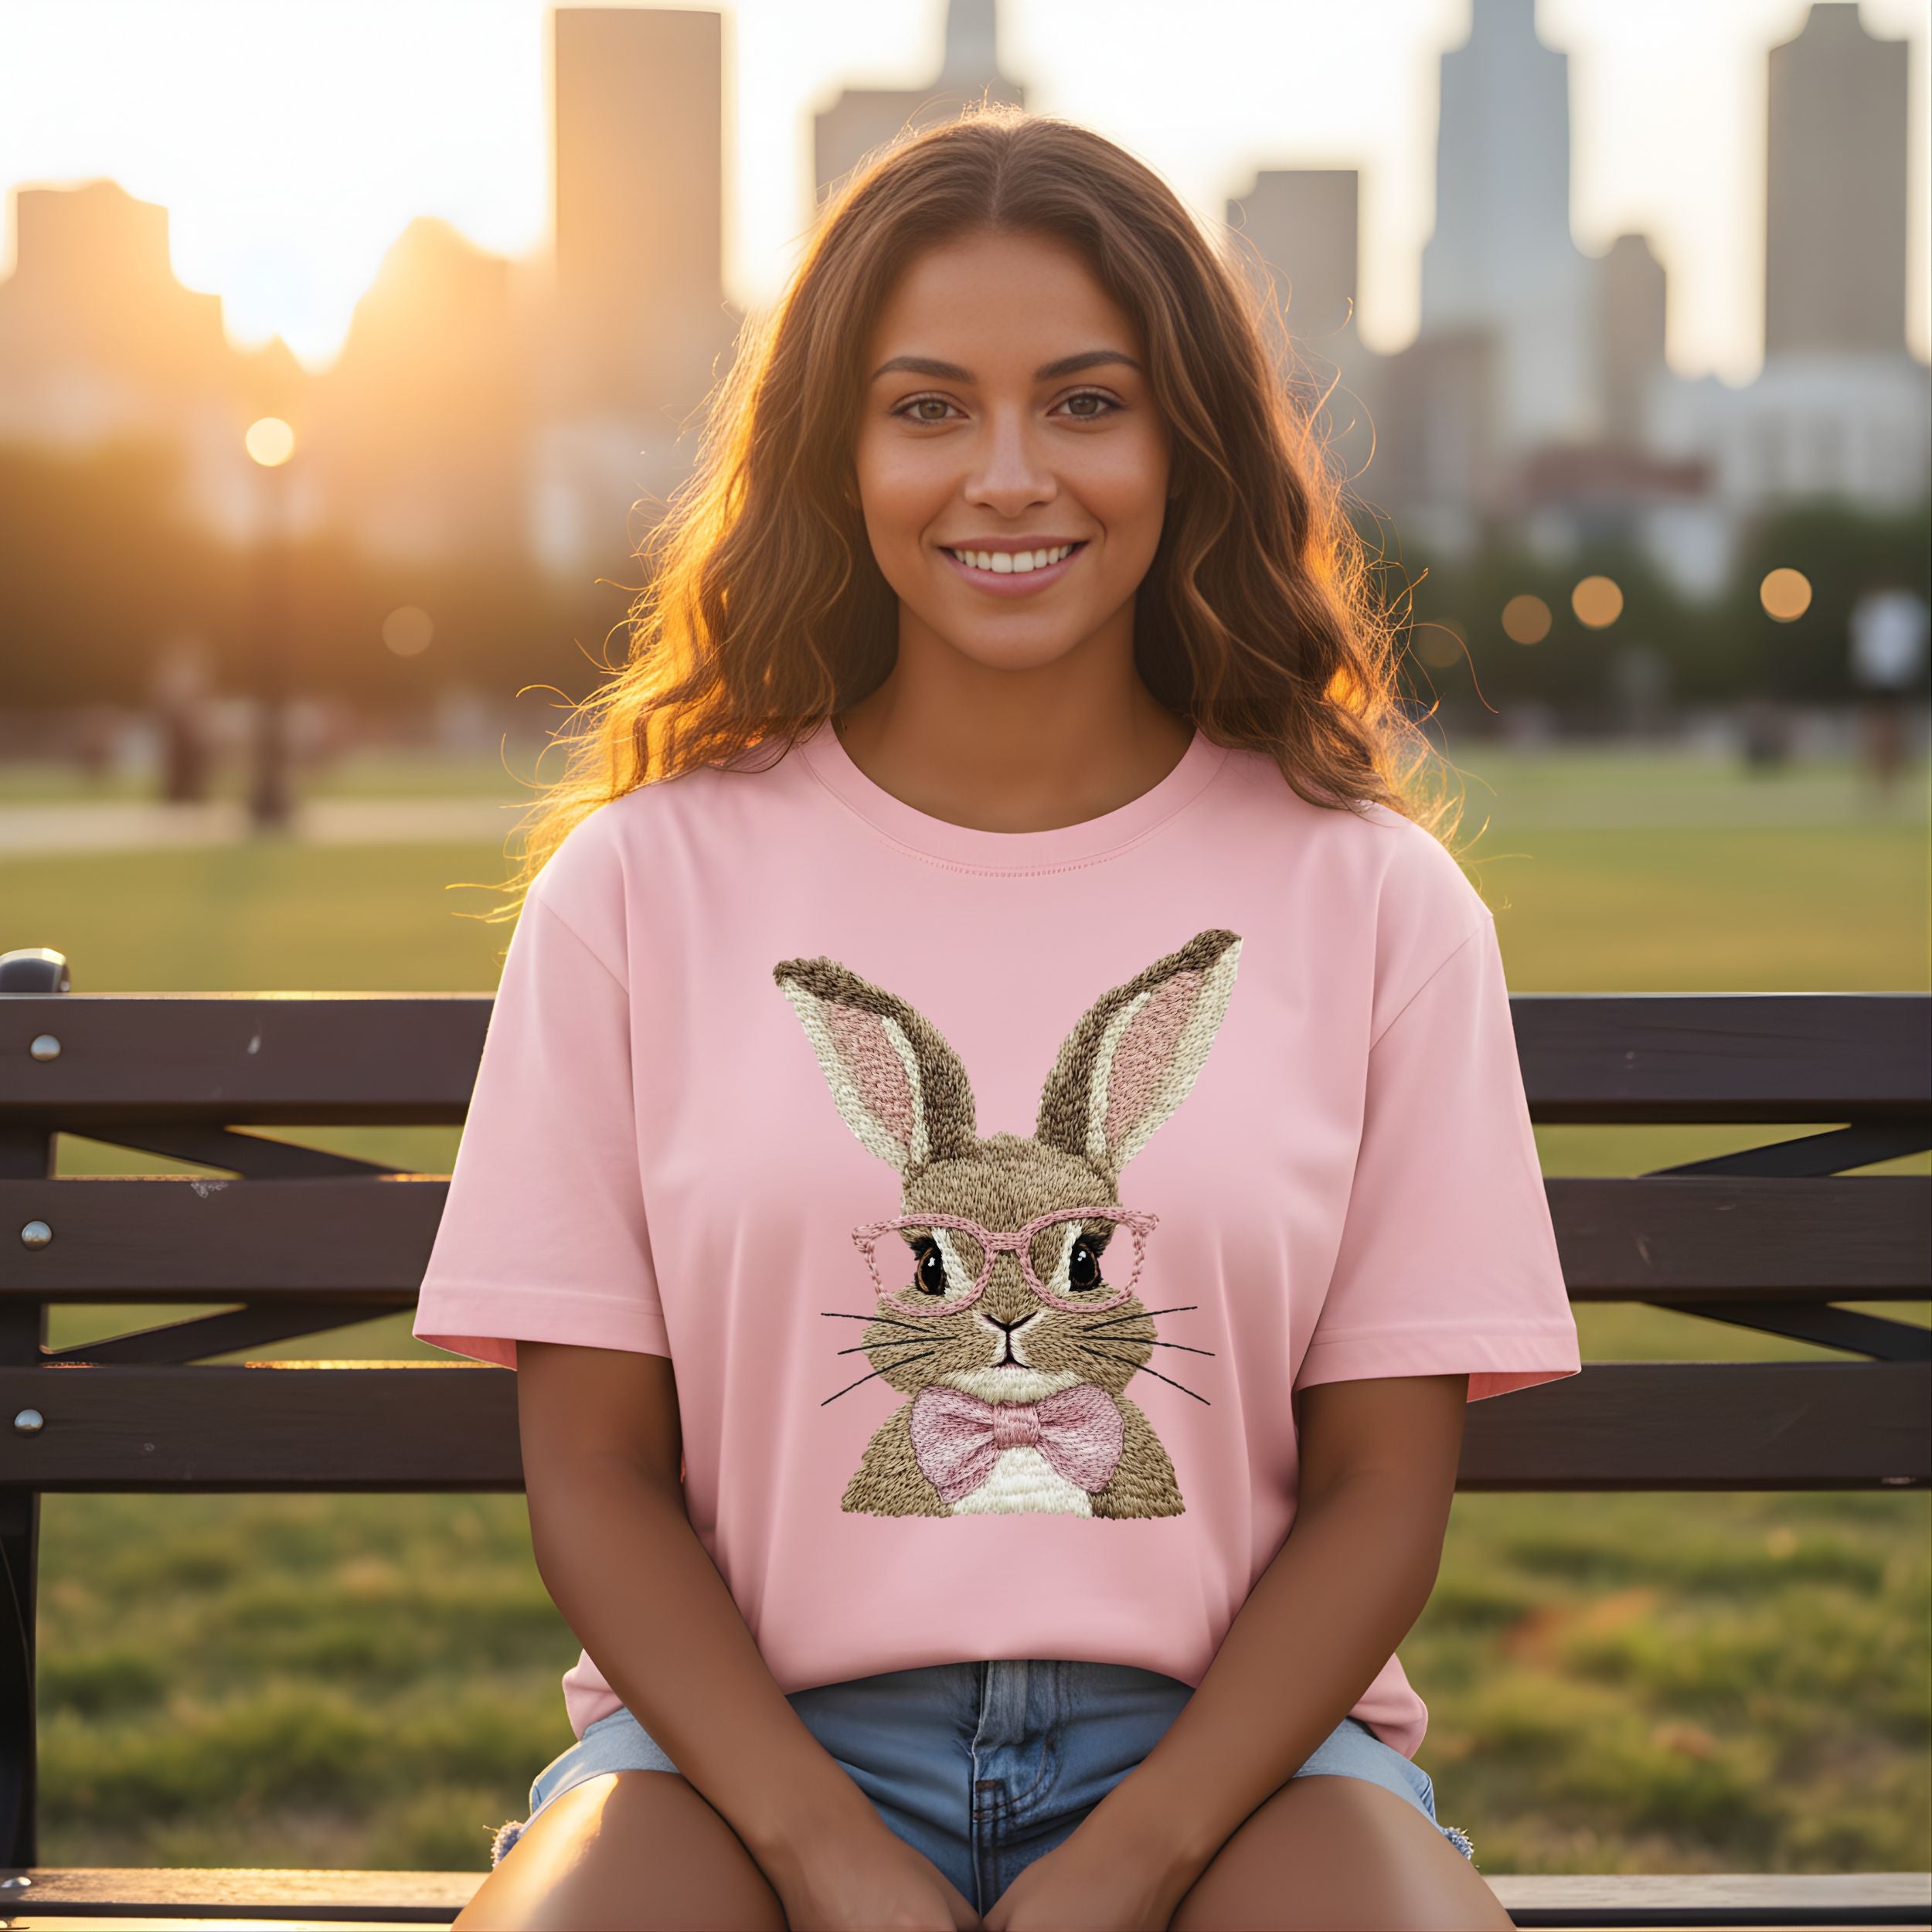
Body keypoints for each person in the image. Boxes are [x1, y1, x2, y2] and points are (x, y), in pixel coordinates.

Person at [414, 109, 1580, 1932]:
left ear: (1183, 441)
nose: (1010, 473)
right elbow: (592, 1467)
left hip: (1232, 1764)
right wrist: (821, 1849)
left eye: (1087, 403)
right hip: (735, 1761)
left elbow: (1375, 1490)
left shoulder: (1371, 901)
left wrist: (1128, 1859)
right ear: (838, 452)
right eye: (929, 405)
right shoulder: (639, 886)